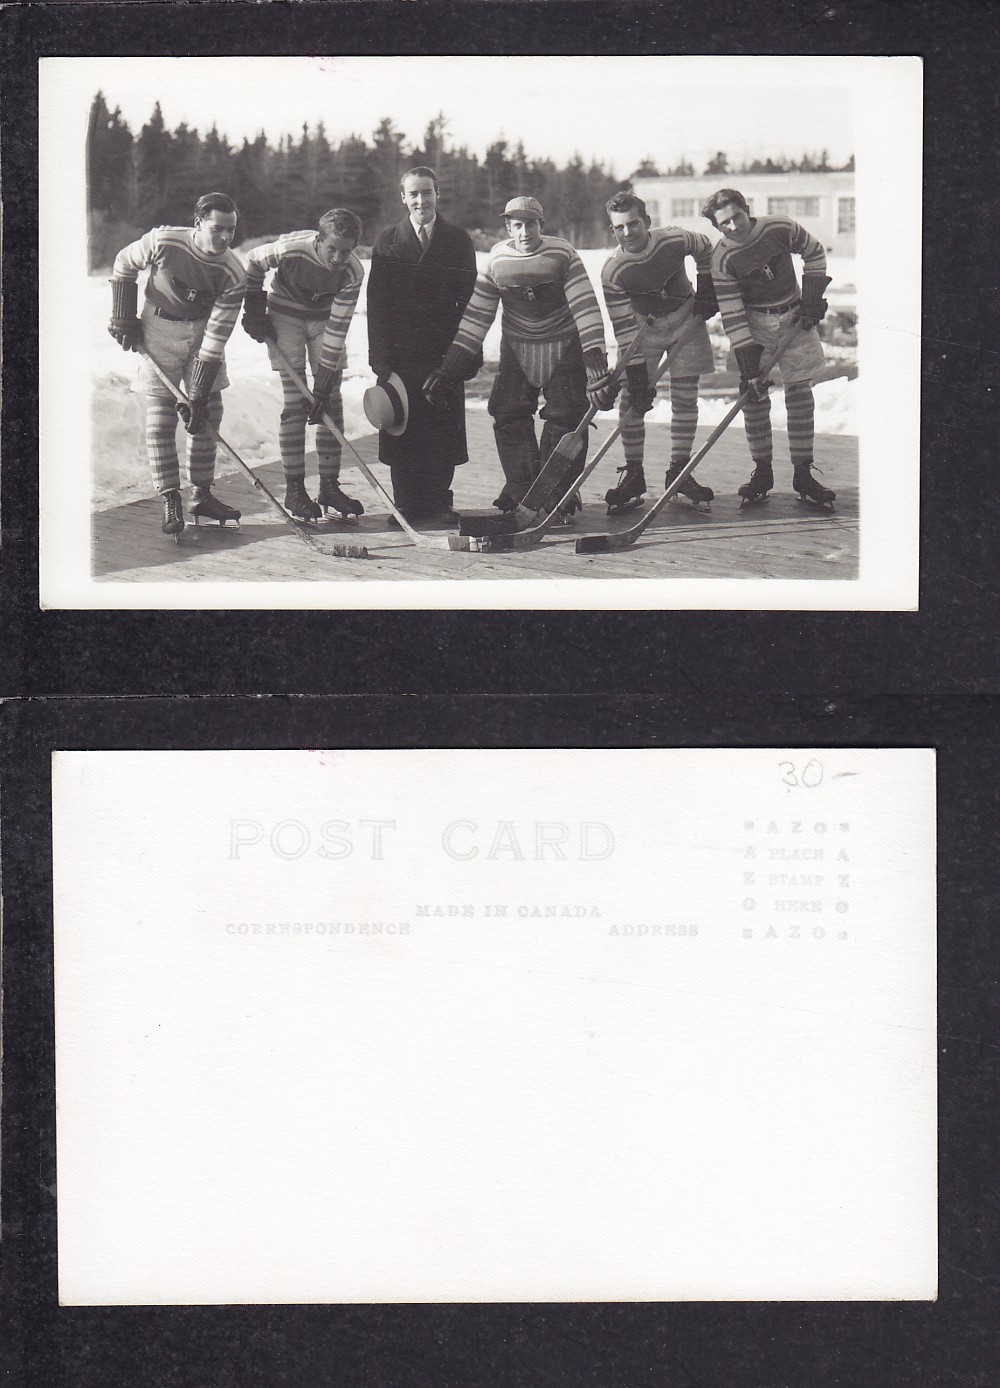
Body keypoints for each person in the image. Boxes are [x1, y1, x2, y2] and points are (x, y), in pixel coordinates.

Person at [423, 195, 615, 517]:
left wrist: (595, 366)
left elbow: (585, 307)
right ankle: (522, 487)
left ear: (542, 224)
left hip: (563, 344)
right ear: (508, 227)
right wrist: (449, 368)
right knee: (508, 413)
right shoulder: (497, 260)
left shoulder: (563, 254)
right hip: (517, 346)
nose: (525, 233)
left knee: (565, 417)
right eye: (517, 225)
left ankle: (558, 491)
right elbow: (477, 315)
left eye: (531, 224)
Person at [108, 192, 247, 535]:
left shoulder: (233, 272)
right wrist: (123, 314)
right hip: (157, 327)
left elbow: (217, 336)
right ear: (198, 223)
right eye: (218, 228)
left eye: (231, 230)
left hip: (201, 332)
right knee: (161, 417)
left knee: (208, 412)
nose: (225, 237)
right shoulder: (164, 241)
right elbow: (124, 263)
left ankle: (202, 494)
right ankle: (171, 497)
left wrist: (198, 390)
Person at [701, 187, 835, 507]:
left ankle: (803, 472)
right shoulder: (721, 259)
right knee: (754, 396)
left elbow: (814, 252)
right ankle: (762, 471)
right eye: (724, 224)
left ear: (747, 209)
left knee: (800, 394)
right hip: (754, 324)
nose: (733, 226)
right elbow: (732, 313)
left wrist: (812, 298)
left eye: (736, 216)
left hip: (793, 317)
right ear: (716, 227)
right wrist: (749, 367)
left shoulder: (780, 228)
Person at [366, 166, 478, 525]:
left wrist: (464, 356)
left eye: (426, 192)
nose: (420, 200)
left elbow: (471, 301)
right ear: (403, 198)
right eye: (413, 194)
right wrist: (380, 358)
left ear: (437, 194)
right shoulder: (387, 241)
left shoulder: (457, 240)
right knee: (403, 427)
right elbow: (377, 304)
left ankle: (439, 502)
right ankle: (407, 504)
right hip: (401, 356)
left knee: (442, 428)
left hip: (445, 354)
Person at [242, 209, 365, 522]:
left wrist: (325, 377)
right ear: (318, 239)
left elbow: (339, 325)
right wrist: (254, 307)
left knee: (330, 399)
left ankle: (329, 486)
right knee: (296, 401)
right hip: (286, 317)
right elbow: (253, 262)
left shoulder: (353, 272)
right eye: (332, 249)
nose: (338, 257)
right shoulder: (291, 248)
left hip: (324, 320)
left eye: (346, 251)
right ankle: (295, 490)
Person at [600, 191, 717, 513]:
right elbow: (622, 325)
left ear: (647, 222)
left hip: (686, 319)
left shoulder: (674, 238)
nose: (627, 233)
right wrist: (636, 371)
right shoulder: (613, 271)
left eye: (633, 224)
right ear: (612, 230)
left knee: (685, 396)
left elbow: (706, 247)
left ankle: (679, 471)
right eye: (619, 228)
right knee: (632, 398)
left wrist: (707, 286)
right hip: (643, 329)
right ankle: (633, 473)